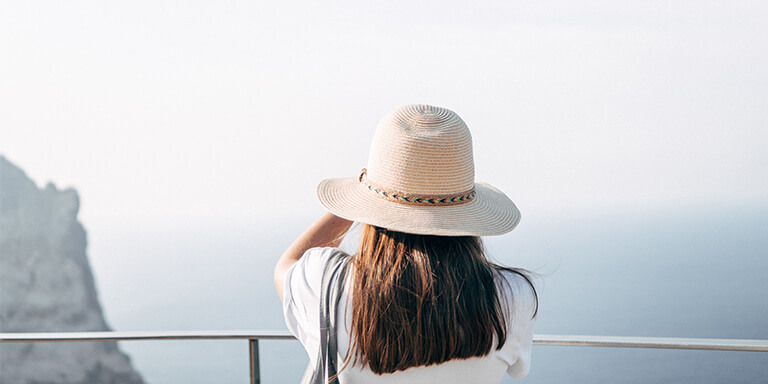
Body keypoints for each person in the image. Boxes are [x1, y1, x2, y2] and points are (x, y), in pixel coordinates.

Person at [274, 104, 538, 383]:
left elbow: (286, 267)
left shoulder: (328, 283)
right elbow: (517, 369)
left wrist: (362, 192)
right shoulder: (516, 295)